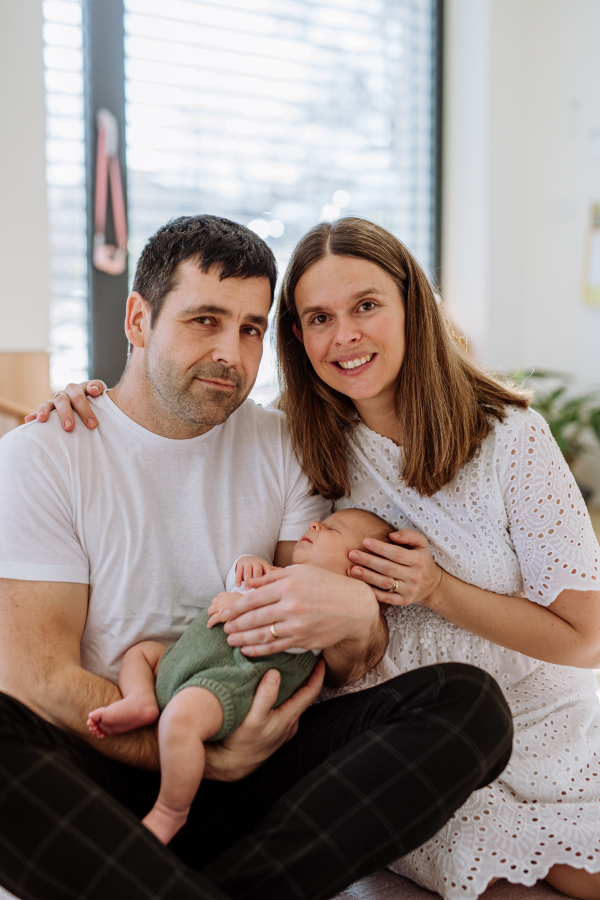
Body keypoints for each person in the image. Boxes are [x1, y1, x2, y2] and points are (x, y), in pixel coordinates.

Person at [51, 215, 600, 900]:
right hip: (393, 739)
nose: (344, 337)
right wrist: (85, 397)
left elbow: (585, 640)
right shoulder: (305, 436)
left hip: (537, 724)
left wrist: (436, 588)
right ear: (297, 337)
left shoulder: (512, 440)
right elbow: (170, 410)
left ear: (412, 306)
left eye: (366, 306)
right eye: (317, 318)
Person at [87, 508, 393, 847]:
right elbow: (239, 583)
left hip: (227, 680)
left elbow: (284, 640)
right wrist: (244, 567)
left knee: (179, 722)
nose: (317, 523)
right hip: (184, 659)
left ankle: (170, 810)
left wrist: (239, 604)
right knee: (140, 653)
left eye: (334, 529)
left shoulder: (319, 617)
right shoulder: (280, 573)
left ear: (356, 573)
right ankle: (140, 699)